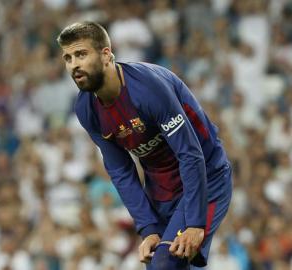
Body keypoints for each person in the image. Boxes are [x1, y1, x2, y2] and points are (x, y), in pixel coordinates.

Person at [57, 21, 233, 270]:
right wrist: (148, 227)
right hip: (162, 191)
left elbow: (190, 154)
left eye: (81, 54)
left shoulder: (148, 89)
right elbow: (120, 171)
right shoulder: (86, 109)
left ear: (106, 54)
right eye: (68, 57)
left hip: (207, 178)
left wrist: (195, 222)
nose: (74, 64)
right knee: (159, 265)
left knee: (165, 264)